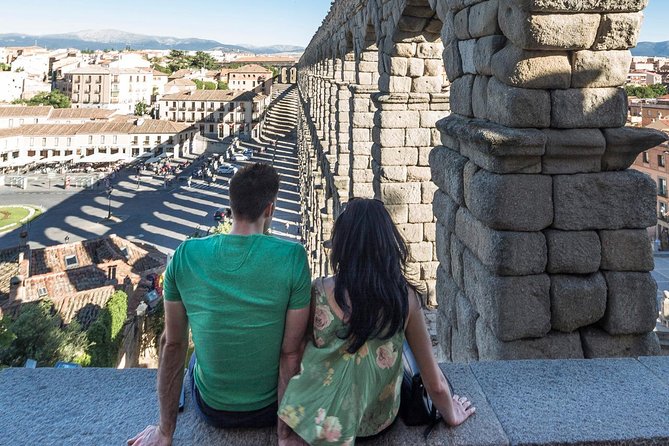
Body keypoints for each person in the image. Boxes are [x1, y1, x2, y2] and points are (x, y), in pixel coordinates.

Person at [128, 163, 312, 446]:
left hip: (213, 410)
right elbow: (291, 353)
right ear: (270, 209)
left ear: (231, 204)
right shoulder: (293, 257)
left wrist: (165, 432)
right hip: (269, 408)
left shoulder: (186, 254)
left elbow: (173, 344)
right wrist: (285, 435)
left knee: (190, 355)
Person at [278, 199, 475, 446]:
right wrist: (452, 413)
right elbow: (433, 382)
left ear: (341, 243)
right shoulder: (405, 298)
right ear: (387, 243)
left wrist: (285, 418)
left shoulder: (318, 291)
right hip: (375, 421)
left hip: (317, 415)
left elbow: (294, 352)